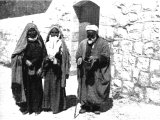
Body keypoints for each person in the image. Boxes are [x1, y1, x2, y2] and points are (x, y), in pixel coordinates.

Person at [11, 23, 47, 115]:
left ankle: (37, 108)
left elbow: (44, 55)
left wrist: (41, 68)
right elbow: (17, 54)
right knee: (27, 88)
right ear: (27, 32)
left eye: (33, 30)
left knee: (37, 89)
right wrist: (25, 60)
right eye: (30, 31)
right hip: (26, 70)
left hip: (37, 69)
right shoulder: (23, 41)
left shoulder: (39, 41)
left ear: (36, 31)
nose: (32, 32)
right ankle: (28, 108)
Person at [76, 25, 111, 114]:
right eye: (88, 35)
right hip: (85, 71)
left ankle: (96, 106)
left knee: (96, 88)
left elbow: (106, 56)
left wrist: (97, 58)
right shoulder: (83, 43)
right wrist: (79, 58)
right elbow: (78, 53)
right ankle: (85, 106)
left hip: (97, 71)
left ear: (96, 34)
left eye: (92, 35)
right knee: (84, 88)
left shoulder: (103, 43)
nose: (90, 37)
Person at [42, 24, 70, 114]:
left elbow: (65, 57)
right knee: (48, 85)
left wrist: (57, 60)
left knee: (56, 86)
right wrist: (46, 59)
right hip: (48, 68)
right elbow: (42, 55)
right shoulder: (46, 43)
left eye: (56, 32)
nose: (54, 34)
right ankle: (48, 106)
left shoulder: (61, 43)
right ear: (50, 33)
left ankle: (57, 106)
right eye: (52, 32)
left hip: (57, 69)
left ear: (59, 33)